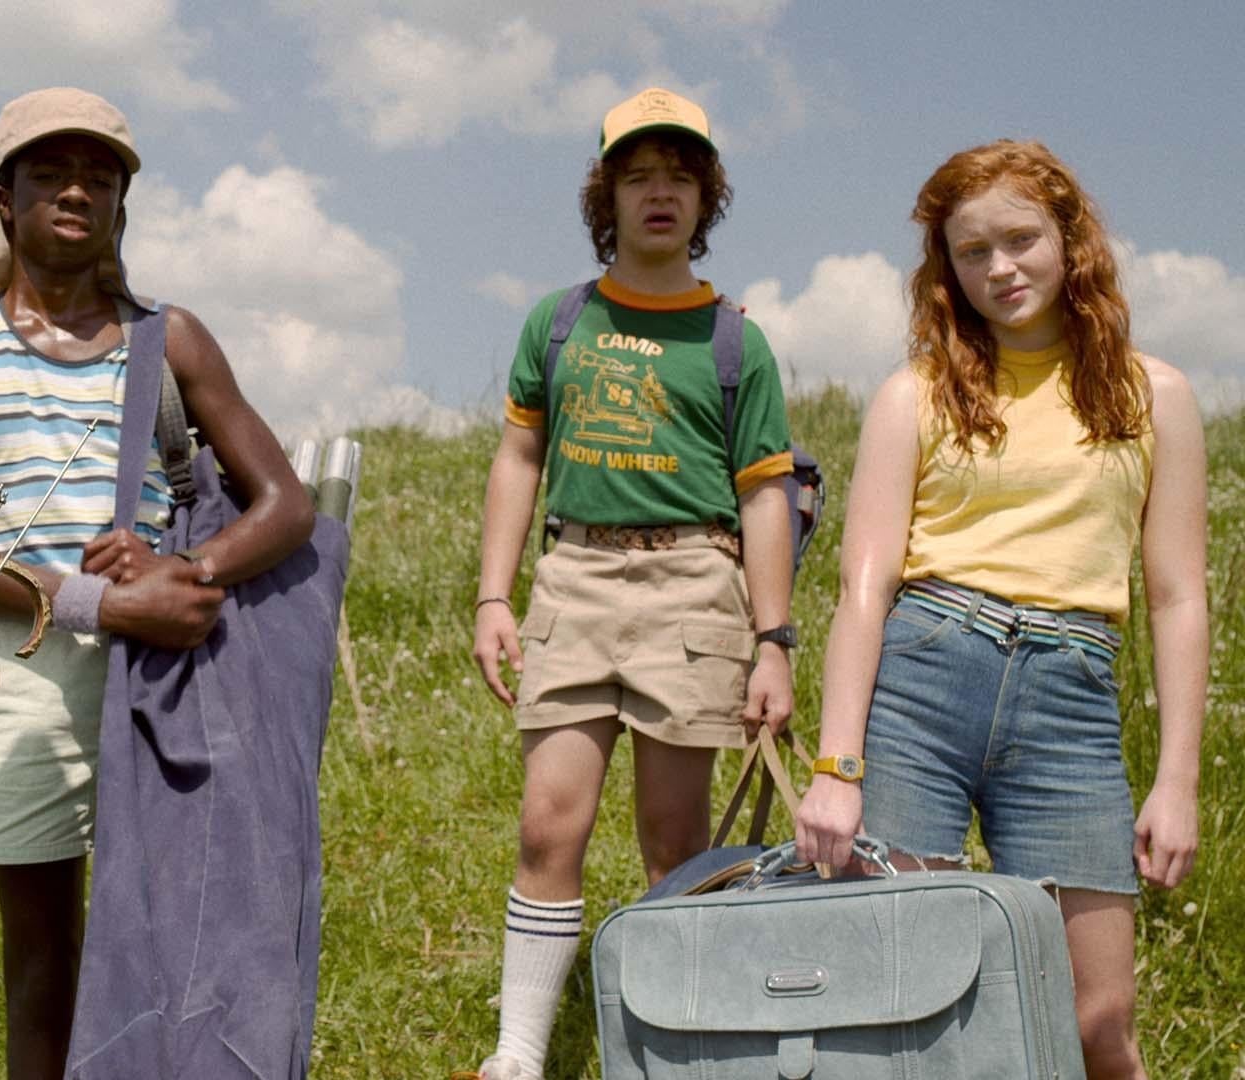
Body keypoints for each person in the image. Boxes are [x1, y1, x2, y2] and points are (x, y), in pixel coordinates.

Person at [0, 87, 311, 1079]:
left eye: (100, 176)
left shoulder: (170, 341)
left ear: (123, 203)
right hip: (21, 678)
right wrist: (107, 603)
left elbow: (286, 505)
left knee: (176, 942)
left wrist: (189, 571)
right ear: (5, 199)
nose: (77, 192)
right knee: (43, 960)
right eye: (50, 173)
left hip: (161, 677)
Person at [794, 139, 1204, 1078]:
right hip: (922, 685)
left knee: (1098, 1021)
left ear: (1071, 239)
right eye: (972, 252)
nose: (1000, 268)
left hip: (1070, 701)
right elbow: (863, 591)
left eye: (1020, 239)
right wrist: (836, 767)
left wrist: (1177, 780)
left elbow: (1179, 597)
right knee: (902, 1008)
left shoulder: (1157, 396)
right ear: (947, 269)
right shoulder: (913, 395)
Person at [462, 88, 796, 1080]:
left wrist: (773, 643)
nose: (660, 194)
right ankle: (519, 1053)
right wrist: (494, 596)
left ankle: (682, 1052)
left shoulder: (736, 341)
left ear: (706, 198)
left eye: (681, 178)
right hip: (574, 580)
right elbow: (519, 457)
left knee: (676, 841)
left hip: (695, 584)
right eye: (638, 176)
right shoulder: (560, 321)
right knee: (546, 825)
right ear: (605, 196)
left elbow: (766, 498)